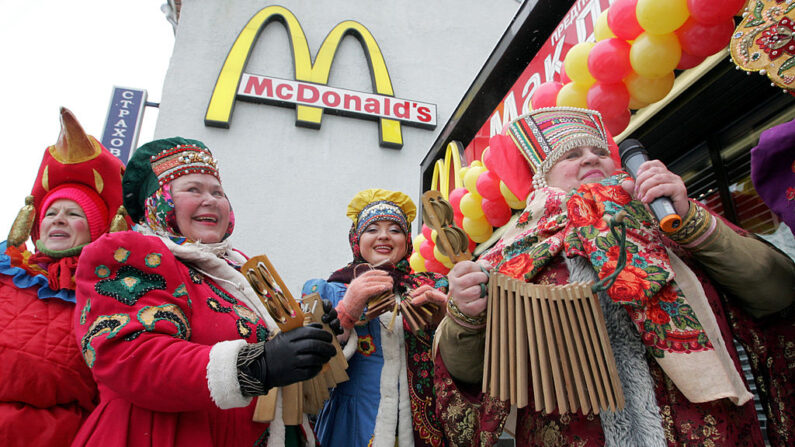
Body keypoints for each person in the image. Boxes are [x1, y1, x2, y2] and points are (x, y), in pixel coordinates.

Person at [434, 107, 795, 446]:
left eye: (599, 151)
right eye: (571, 155)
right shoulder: (508, 255)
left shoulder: (671, 218)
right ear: (540, 177)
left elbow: (776, 292)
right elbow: (471, 373)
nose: (591, 158)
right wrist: (465, 318)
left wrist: (692, 222)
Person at [71, 137, 339, 446]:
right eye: (193, 190)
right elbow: (130, 354)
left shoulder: (238, 270)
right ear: (159, 202)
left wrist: (313, 334)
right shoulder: (133, 251)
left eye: (218, 192)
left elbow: (272, 349)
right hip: (164, 434)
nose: (210, 200)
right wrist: (255, 365)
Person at [0, 108, 128, 446]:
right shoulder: (5, 271)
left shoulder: (112, 295)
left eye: (73, 214)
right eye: (51, 212)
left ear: (99, 230)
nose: (57, 220)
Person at [301, 188, 449, 447]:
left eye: (395, 229)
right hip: (352, 427)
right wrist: (347, 311)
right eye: (372, 229)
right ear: (356, 239)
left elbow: (461, 360)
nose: (384, 236)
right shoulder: (329, 291)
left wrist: (447, 319)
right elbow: (307, 372)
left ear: (407, 241)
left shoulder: (431, 288)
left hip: (420, 426)